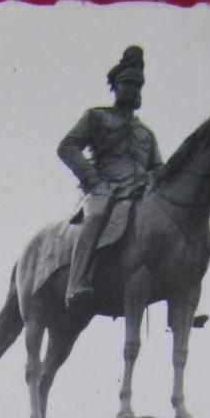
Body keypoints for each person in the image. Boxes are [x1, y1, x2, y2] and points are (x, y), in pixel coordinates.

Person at [57, 45, 163, 309]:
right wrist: (93, 180)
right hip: (104, 187)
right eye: (125, 83)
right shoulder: (96, 117)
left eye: (136, 85)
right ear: (115, 87)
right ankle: (76, 283)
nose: (131, 89)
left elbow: (158, 168)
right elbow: (67, 147)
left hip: (141, 191)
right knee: (96, 216)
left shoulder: (146, 133)